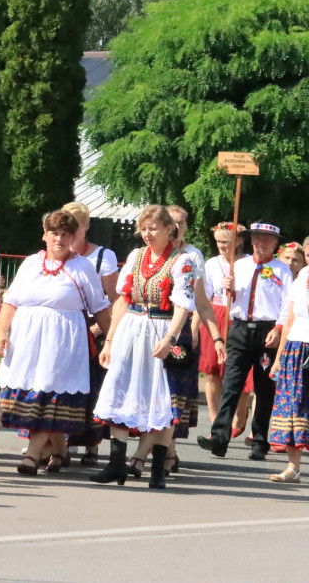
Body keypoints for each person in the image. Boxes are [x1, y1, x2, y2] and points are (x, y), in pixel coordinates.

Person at [90, 205, 208, 489]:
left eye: (153, 228)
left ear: (170, 229)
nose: (147, 234)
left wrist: (170, 339)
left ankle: (157, 468)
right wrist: (109, 340)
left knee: (161, 397)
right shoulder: (135, 256)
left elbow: (183, 305)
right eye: (143, 229)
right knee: (119, 389)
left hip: (162, 328)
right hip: (132, 326)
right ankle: (116, 463)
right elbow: (122, 300)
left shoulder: (183, 261)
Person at [0, 210, 111, 475]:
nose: (59, 239)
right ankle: (59, 450)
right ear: (44, 235)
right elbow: (11, 300)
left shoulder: (82, 267)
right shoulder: (31, 264)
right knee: (38, 396)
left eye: (65, 234)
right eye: (54, 233)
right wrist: (2, 333)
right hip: (28, 343)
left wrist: (112, 341)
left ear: (72, 237)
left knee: (51, 397)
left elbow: (101, 308)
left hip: (64, 345)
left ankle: (32, 456)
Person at [198, 222, 292, 462]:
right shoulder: (238, 265)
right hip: (239, 328)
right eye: (258, 238)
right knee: (231, 384)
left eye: (267, 239)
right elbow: (230, 298)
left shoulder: (282, 270)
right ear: (251, 241)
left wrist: (279, 329)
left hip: (266, 331)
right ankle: (219, 437)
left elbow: (286, 306)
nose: (261, 243)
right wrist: (228, 289)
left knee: (264, 387)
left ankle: (260, 440)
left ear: (275, 244)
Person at [61, 201, 118, 466]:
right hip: (64, 330)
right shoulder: (54, 253)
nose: (69, 230)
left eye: (75, 223)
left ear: (85, 226)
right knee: (61, 387)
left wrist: (101, 330)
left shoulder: (101, 256)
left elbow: (114, 298)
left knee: (91, 389)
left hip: (93, 329)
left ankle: (91, 444)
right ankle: (60, 443)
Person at [197, 223, 245, 425]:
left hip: (238, 315)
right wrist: (195, 327)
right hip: (215, 315)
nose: (222, 246)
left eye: (227, 242)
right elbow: (203, 299)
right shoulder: (211, 264)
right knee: (213, 372)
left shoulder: (248, 262)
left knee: (239, 371)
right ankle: (216, 421)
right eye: (219, 242)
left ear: (239, 241)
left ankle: (241, 412)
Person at [266, 259, 309, 483]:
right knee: (294, 405)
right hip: (296, 347)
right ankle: (294, 468)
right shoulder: (301, 279)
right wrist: (279, 359)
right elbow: (290, 321)